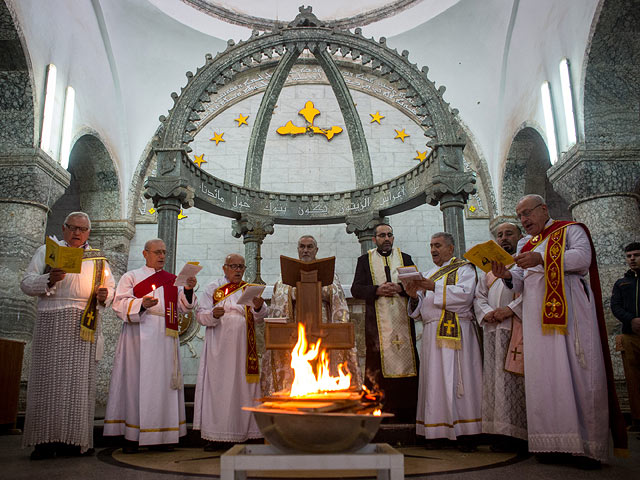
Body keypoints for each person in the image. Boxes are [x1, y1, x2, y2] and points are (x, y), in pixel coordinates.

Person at [491, 194, 627, 467]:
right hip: (536, 321)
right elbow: (520, 281)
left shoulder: (570, 230)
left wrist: (540, 258)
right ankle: (551, 445)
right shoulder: (524, 243)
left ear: (544, 209)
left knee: (577, 372)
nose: (524, 220)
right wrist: (506, 275)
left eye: (527, 213)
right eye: (520, 216)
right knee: (544, 378)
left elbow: (581, 259)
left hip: (570, 316)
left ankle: (586, 447)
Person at [20, 212, 115, 459]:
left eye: (82, 229)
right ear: (63, 229)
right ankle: (44, 441)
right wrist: (48, 278)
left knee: (78, 383)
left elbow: (111, 288)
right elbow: (26, 283)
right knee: (47, 381)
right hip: (51, 322)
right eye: (72, 227)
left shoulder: (98, 260)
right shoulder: (46, 252)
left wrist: (107, 296)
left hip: (83, 325)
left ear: (88, 233)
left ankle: (74, 441)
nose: (77, 232)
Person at [104, 239, 197, 453]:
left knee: (164, 385)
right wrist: (141, 305)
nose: (162, 256)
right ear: (145, 254)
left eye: (164, 252)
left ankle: (163, 435)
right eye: (157, 252)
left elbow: (185, 306)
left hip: (165, 338)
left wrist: (189, 290)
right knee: (137, 383)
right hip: (139, 337)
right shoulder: (132, 276)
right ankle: (132, 436)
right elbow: (119, 303)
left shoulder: (172, 280)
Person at [406, 232, 481, 451]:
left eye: (437, 245)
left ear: (450, 248)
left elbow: (466, 296)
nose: (433, 250)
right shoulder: (429, 274)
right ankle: (436, 432)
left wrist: (433, 288)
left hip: (457, 331)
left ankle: (466, 433)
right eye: (430, 246)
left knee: (459, 380)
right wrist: (413, 297)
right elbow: (419, 310)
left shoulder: (464, 269)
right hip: (432, 333)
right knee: (435, 382)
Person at [262, 235, 361, 395]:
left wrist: (318, 288)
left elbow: (337, 299)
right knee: (298, 365)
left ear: (316, 250)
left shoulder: (329, 274)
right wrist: (296, 291)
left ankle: (322, 399)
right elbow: (279, 299)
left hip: (322, 328)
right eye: (302, 246)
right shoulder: (285, 276)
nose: (306, 250)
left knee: (321, 365)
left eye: (309, 247)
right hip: (295, 330)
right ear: (298, 250)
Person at [193, 254, 267, 450]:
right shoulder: (213, 288)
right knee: (219, 388)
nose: (238, 270)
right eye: (233, 266)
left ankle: (244, 433)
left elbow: (261, 316)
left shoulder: (248, 290)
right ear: (224, 268)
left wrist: (259, 307)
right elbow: (200, 315)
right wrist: (212, 314)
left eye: (241, 266)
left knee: (242, 388)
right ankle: (216, 436)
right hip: (220, 347)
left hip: (244, 346)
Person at [351, 224, 418, 423]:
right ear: (374, 239)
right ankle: (377, 417)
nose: (386, 238)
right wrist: (377, 290)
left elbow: (416, 286)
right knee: (376, 368)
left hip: (403, 322)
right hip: (377, 330)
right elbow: (356, 289)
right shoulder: (365, 260)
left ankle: (408, 416)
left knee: (408, 365)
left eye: (389, 235)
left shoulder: (405, 258)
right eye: (382, 235)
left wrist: (399, 288)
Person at [473, 222, 527, 451]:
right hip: (494, 331)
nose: (504, 238)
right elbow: (479, 297)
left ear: (520, 236)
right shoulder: (490, 271)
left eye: (509, 234)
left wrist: (510, 309)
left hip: (516, 329)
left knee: (515, 382)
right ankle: (499, 432)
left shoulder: (524, 264)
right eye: (499, 235)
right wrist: (487, 313)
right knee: (495, 383)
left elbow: (533, 291)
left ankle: (519, 434)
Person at [611, 242, 640, 434]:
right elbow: (616, 306)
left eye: (636, 255)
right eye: (629, 255)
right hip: (631, 336)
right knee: (634, 381)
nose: (632, 259)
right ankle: (638, 421)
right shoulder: (622, 283)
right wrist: (632, 319)